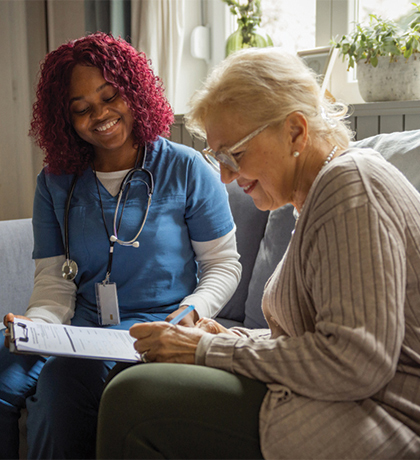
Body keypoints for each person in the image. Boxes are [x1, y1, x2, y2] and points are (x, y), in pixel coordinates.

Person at [96, 47, 420, 460]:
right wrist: (230, 336)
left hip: (388, 418)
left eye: (235, 155)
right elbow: (318, 338)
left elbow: (354, 361)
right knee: (145, 379)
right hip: (355, 401)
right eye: (218, 158)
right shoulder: (322, 195)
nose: (227, 177)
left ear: (295, 132)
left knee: (134, 397)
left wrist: (204, 350)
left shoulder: (350, 187)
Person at [0, 32, 241, 460]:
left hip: (149, 327)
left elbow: (222, 264)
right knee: (1, 365)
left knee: (64, 380)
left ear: (134, 91)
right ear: (66, 118)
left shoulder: (186, 168)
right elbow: (55, 283)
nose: (101, 115)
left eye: (111, 96)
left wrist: (189, 313)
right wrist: (34, 327)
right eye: (82, 109)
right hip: (74, 329)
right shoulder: (55, 181)